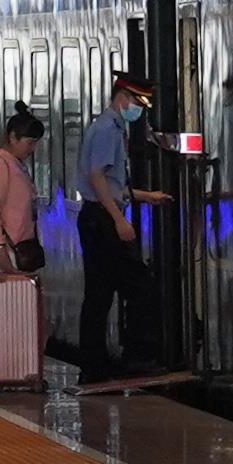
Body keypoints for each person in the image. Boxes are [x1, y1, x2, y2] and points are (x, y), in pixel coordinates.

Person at [75, 69, 171, 381]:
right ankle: (136, 356)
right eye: (138, 103)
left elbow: (111, 183)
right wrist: (118, 220)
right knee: (140, 287)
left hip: (97, 215)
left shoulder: (109, 127)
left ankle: (95, 365)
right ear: (123, 97)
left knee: (100, 293)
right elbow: (97, 177)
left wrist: (145, 196)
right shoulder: (107, 129)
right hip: (103, 219)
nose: (139, 110)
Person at [0, 110, 49, 288]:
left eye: (35, 143)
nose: (32, 149)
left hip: (19, 247)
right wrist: (0, 250)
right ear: (13, 137)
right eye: (29, 143)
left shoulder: (16, 164)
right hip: (6, 251)